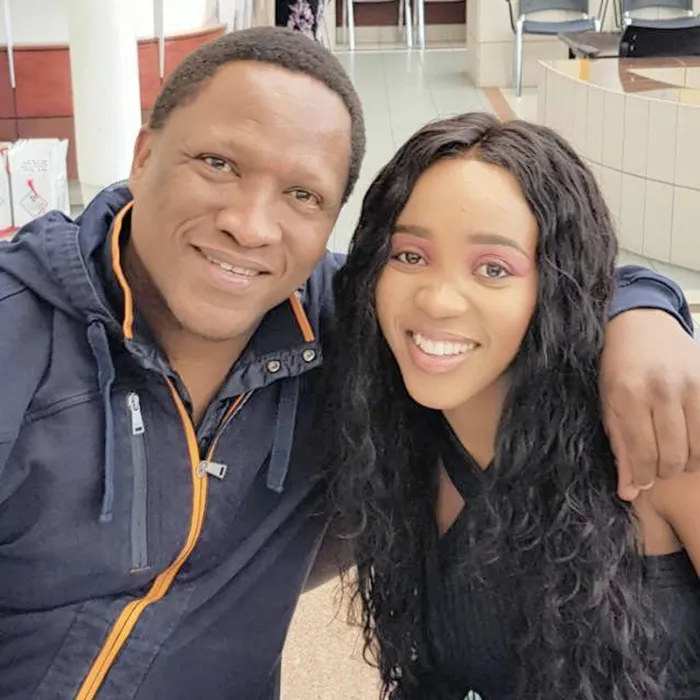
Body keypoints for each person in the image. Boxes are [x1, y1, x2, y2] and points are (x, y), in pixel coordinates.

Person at [0, 27, 697, 700]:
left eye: (303, 195)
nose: (250, 224)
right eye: (218, 163)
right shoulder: (19, 336)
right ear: (145, 155)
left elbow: (560, 276)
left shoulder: (341, 326)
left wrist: (643, 312)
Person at [325, 113, 700, 700]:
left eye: (493, 268)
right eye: (410, 256)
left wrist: (648, 309)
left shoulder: (654, 440)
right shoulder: (401, 441)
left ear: (554, 287)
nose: (438, 300)